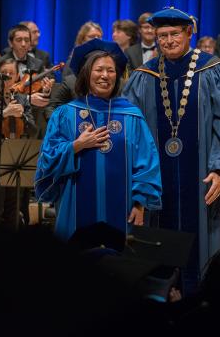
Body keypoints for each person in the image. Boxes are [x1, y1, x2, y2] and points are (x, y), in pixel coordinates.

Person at [122, 7, 220, 291]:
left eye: (175, 33)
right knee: (156, 257)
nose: (168, 40)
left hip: (203, 179)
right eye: (162, 35)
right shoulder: (143, 76)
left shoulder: (213, 70)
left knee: (201, 257)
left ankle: (203, 305)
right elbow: (129, 132)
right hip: (156, 182)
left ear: (189, 33)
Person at [35, 39, 162, 241]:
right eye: (99, 70)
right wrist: (76, 146)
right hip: (75, 204)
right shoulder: (65, 114)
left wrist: (140, 203)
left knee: (117, 265)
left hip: (123, 208)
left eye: (111, 71)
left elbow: (147, 162)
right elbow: (46, 161)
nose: (105, 76)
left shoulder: (131, 116)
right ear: (86, 73)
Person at [0, 58, 36, 229]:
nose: (8, 76)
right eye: (5, 73)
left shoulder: (23, 100)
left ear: (18, 76)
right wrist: (3, 114)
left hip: (16, 160)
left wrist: (23, 117)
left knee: (13, 211)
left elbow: (33, 130)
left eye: (12, 73)